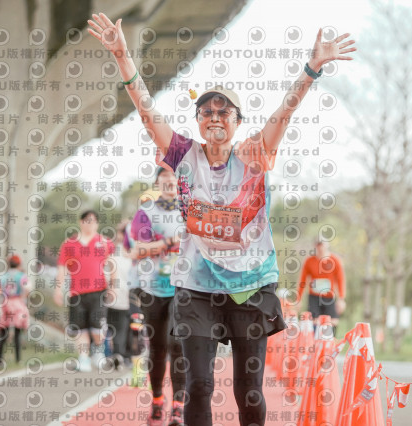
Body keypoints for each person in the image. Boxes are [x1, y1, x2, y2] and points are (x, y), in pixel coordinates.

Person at [89, 12, 355, 426]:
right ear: (198, 121)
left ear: (237, 122)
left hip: (252, 287)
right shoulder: (183, 155)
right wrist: (123, 57)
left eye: (223, 111)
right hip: (197, 288)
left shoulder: (254, 154)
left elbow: (285, 112)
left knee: (248, 391)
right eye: (206, 111)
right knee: (199, 386)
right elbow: (145, 110)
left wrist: (311, 69)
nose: (214, 116)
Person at [127, 167, 185, 425]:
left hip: (182, 288)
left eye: (174, 177)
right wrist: (169, 242)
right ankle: (158, 400)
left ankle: (178, 406)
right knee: (158, 348)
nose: (170, 181)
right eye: (164, 178)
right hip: (152, 289)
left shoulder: (190, 210)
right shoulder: (146, 212)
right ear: (158, 183)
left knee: (177, 343)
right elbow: (138, 250)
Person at [53, 210, 116, 372]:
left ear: (97, 223)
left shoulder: (104, 242)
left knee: (97, 327)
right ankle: (83, 358)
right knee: (80, 328)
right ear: (81, 222)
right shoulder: (69, 244)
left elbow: (111, 265)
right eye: (87, 220)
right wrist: (58, 289)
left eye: (93, 221)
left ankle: (98, 351)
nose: (90, 224)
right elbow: (62, 268)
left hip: (99, 291)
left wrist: (113, 287)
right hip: (77, 293)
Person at [297, 240, 346, 334]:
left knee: (332, 322)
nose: (320, 247)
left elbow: (340, 280)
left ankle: (330, 341)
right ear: (315, 246)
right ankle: (314, 341)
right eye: (318, 245)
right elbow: (302, 280)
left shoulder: (335, 260)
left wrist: (341, 298)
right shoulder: (309, 261)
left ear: (327, 245)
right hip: (314, 297)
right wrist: (298, 298)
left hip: (329, 297)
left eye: (322, 245)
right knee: (313, 322)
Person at [0, 254, 30, 366]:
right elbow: (28, 288)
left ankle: (0, 360)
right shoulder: (21, 276)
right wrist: (23, 297)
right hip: (18, 302)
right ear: (19, 264)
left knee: (3, 332)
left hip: (6, 303)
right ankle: (18, 359)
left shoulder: (3, 276)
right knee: (17, 333)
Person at [105, 220, 132, 369]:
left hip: (122, 298)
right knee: (121, 329)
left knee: (118, 329)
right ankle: (120, 356)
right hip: (121, 297)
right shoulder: (117, 252)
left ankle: (118, 356)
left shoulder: (118, 253)